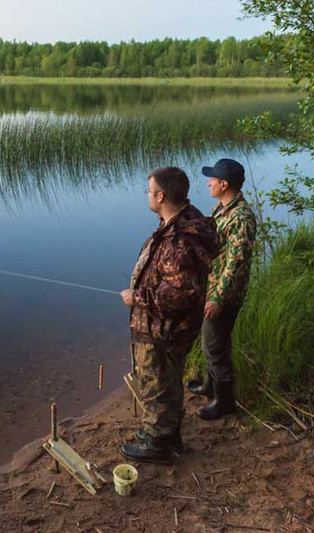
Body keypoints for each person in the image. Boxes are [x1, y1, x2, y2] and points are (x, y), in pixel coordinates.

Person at [119, 166, 218, 463]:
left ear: (161, 196)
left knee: (155, 383)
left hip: (162, 329)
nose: (147, 196)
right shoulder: (184, 220)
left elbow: (178, 294)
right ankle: (169, 434)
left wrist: (135, 297)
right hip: (173, 328)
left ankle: (158, 444)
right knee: (168, 380)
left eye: (149, 191)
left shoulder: (178, 242)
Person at [187, 158, 257, 420]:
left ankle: (225, 402)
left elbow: (235, 264)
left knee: (215, 345)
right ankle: (210, 386)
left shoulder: (242, 217)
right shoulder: (223, 207)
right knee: (210, 342)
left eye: (212, 180)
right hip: (214, 286)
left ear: (224, 184)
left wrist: (216, 298)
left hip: (225, 293)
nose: (208, 183)